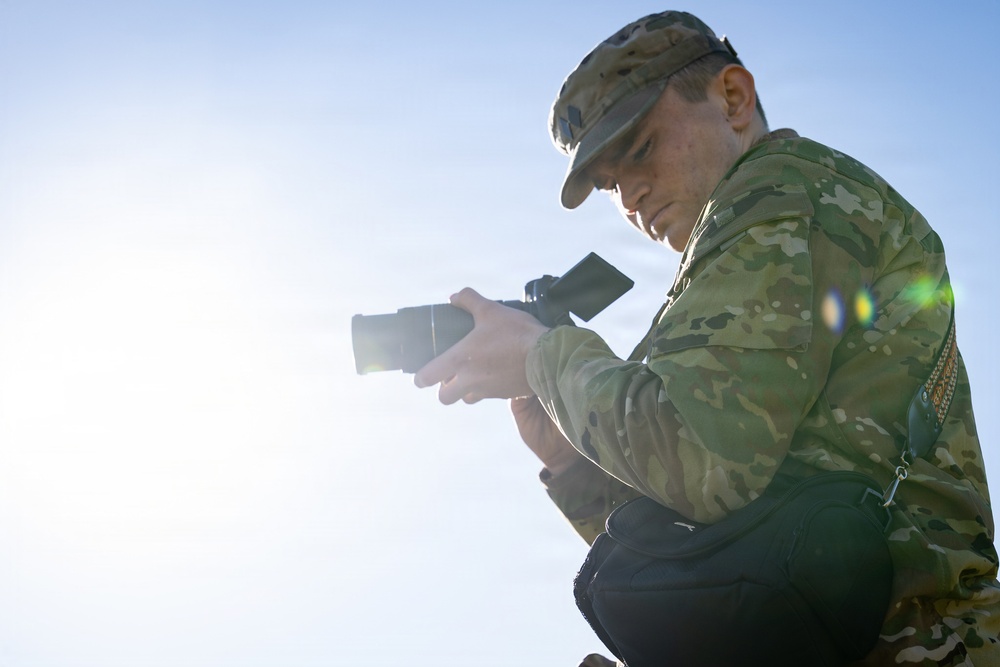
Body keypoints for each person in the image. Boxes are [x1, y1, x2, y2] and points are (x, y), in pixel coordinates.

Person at [413, 10, 999, 666]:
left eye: (639, 148)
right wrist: (572, 456)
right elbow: (691, 535)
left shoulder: (779, 195)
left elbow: (703, 461)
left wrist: (543, 357)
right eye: (610, 183)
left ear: (733, 98)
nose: (630, 196)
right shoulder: (759, 230)